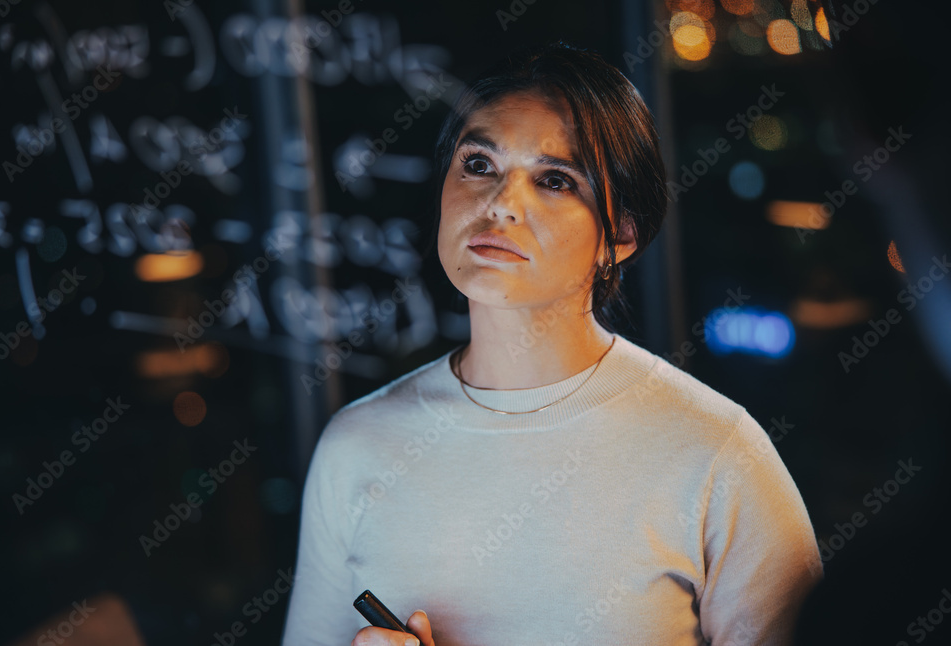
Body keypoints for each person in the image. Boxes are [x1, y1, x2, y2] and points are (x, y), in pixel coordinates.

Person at [281, 41, 822, 646]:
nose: (501, 203)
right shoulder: (357, 445)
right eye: (479, 164)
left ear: (617, 236)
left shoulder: (717, 452)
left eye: (555, 180)